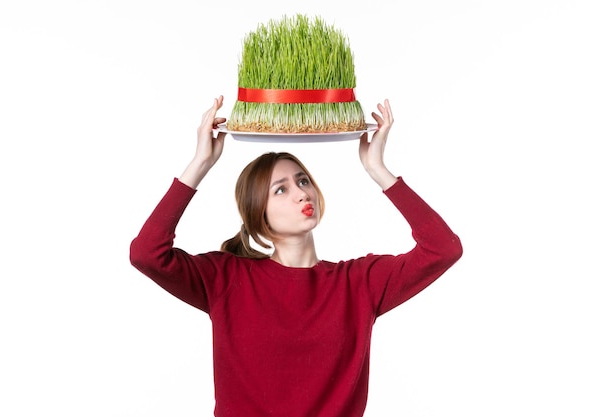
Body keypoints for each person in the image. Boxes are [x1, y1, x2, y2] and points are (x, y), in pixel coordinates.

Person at [130, 95, 463, 417]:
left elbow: (442, 248)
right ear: (257, 212)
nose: (302, 192)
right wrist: (200, 163)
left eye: (302, 181)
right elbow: (147, 253)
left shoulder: (359, 283)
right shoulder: (227, 279)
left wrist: (378, 169)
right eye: (281, 189)